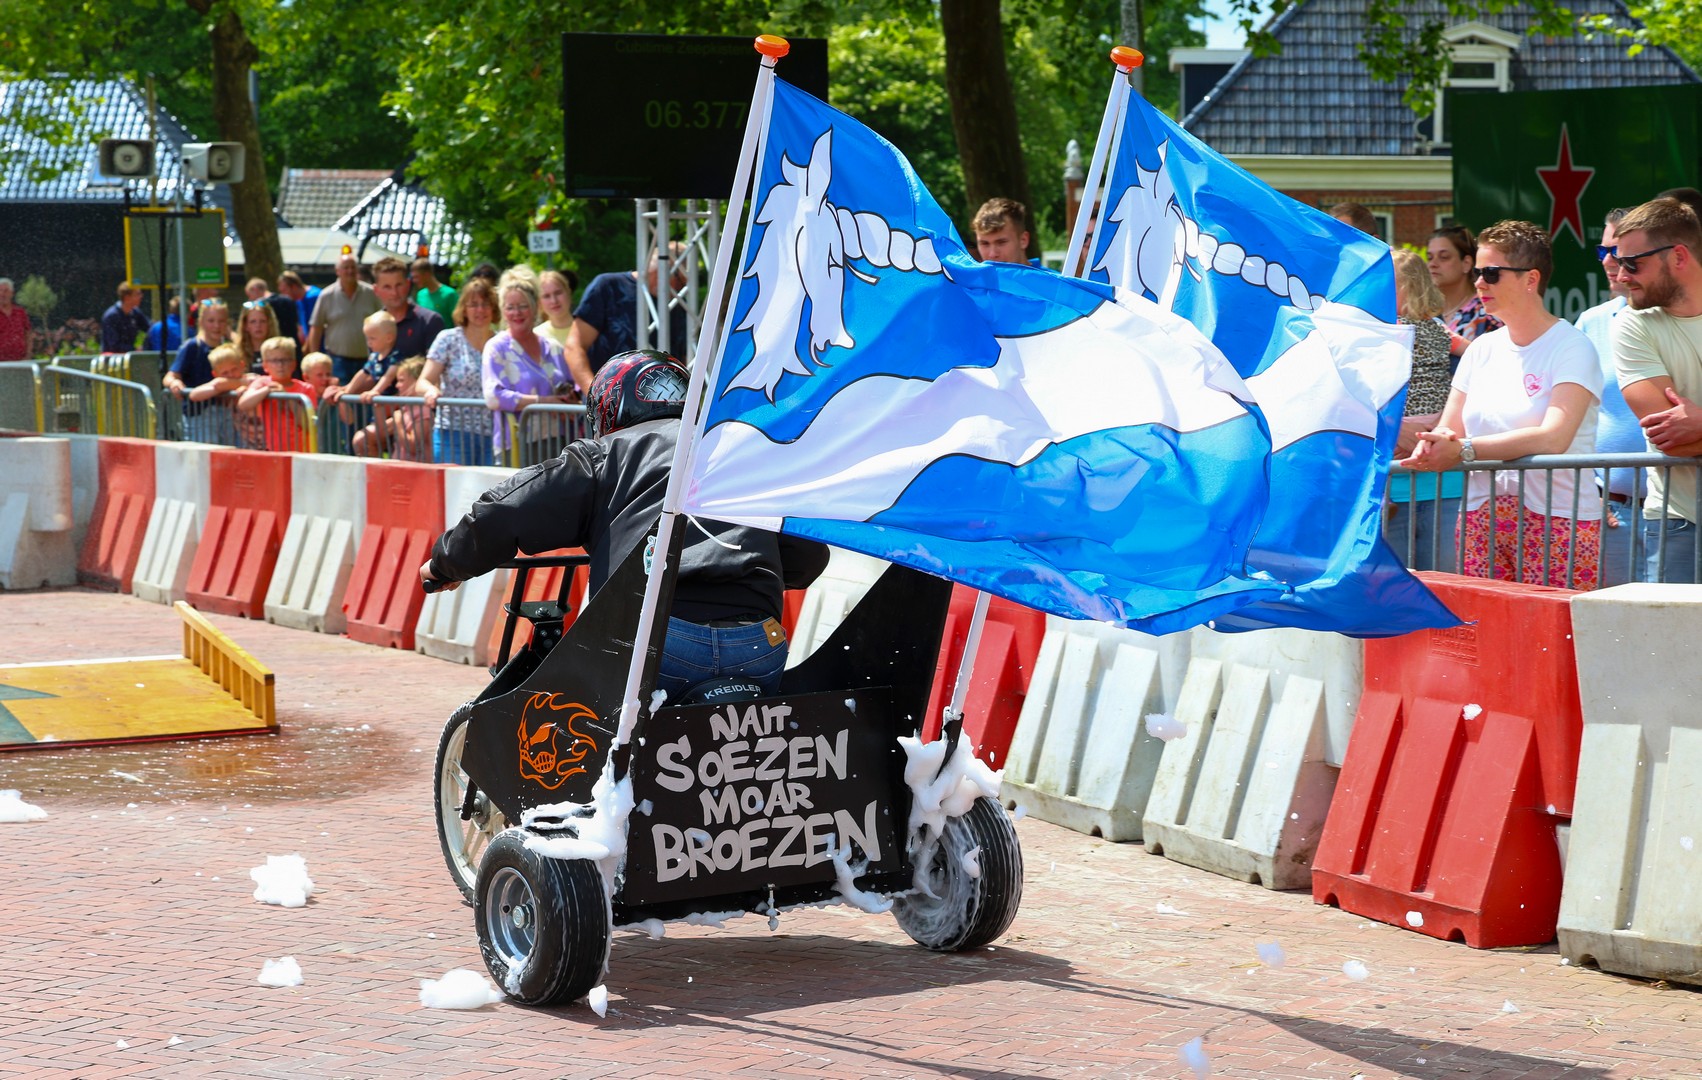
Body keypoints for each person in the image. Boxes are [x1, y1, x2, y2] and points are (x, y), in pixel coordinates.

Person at [420, 350, 830, 699]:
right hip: (758, 645)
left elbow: (505, 509)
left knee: (571, 707)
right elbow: (808, 556)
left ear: (609, 406)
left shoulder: (604, 455)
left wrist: (445, 564)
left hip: (657, 642)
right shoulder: (737, 448)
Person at [1400, 219, 1602, 590]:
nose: (1479, 283)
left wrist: (1463, 449)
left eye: (1491, 273)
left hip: (1559, 517)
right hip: (1481, 517)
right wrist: (1435, 442)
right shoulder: (1481, 349)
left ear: (1531, 279)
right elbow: (1450, 428)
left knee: (1555, 627)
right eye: (1477, 272)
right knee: (1486, 625)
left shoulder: (1572, 346)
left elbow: (1553, 437)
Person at [1610, 196, 1702, 583]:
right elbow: (1670, 439)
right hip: (1680, 522)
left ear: (1678, 256)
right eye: (1617, 261)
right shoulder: (1631, 324)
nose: (1621, 275)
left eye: (1633, 263)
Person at [1576, 208, 1642, 586]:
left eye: (1618, 251)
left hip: (1682, 514)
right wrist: (1588, 493)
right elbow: (1571, 418)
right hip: (1610, 512)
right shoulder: (1591, 322)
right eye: (1603, 251)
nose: (1608, 262)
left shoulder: (1686, 319)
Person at [1383, 249, 1459, 571]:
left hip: (1432, 474)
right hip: (1425, 445)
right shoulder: (1440, 328)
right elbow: (1474, 353)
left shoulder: (1383, 331)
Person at [562, 247, 689, 389]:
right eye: (681, 281)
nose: (682, 288)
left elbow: (684, 358)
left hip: (661, 398)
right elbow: (574, 347)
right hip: (608, 397)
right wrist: (594, 394)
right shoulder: (608, 287)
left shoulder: (680, 303)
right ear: (662, 272)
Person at [485, 277, 576, 464]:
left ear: (535, 308)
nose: (517, 313)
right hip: (517, 442)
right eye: (510, 307)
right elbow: (494, 397)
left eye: (523, 306)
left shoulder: (553, 347)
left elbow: (574, 387)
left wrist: (570, 400)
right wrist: (545, 402)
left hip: (559, 440)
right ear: (503, 311)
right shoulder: (497, 348)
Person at [421, 278, 498, 467]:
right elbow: (423, 381)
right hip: (452, 433)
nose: (480, 310)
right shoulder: (448, 339)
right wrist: (431, 390)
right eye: (473, 304)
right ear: (464, 309)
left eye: (485, 304)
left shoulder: (502, 343)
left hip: (495, 434)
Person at [1427, 225, 1502, 362]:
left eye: (1444, 257)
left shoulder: (1488, 313)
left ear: (1466, 263)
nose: (1433, 264)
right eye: (1429, 257)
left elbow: (1497, 363)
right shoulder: (1424, 311)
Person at [307, 252, 381, 384]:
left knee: (366, 396)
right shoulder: (326, 295)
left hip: (368, 361)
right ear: (337, 271)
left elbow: (383, 322)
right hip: (337, 361)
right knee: (340, 396)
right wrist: (314, 357)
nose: (350, 271)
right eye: (346, 267)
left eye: (353, 267)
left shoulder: (371, 294)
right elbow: (316, 328)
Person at [238, 336, 317, 452]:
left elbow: (307, 424)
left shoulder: (306, 388)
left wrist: (286, 397)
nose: (280, 365)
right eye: (274, 361)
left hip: (302, 451)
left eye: (285, 360)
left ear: (294, 364)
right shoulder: (262, 383)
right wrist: (267, 390)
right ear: (265, 365)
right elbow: (243, 404)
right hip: (273, 450)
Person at [373, 255, 443, 360]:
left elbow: (437, 365)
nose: (394, 293)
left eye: (399, 285)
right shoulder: (374, 324)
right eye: (387, 287)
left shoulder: (430, 321)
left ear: (408, 284)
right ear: (376, 290)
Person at [184, 343, 249, 447]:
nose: (230, 375)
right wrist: (221, 386)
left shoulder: (250, 379)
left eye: (234, 369)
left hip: (247, 431)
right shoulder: (219, 384)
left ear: (242, 365)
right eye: (225, 373)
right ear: (215, 374)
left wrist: (231, 384)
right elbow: (194, 395)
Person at [973, 197, 1033, 264]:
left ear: (1023, 240)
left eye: (1001, 242)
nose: (992, 254)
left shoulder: (1042, 272)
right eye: (985, 243)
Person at [244, 276, 299, 343]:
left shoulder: (263, 308)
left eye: (249, 296)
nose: (250, 299)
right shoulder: (288, 300)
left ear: (255, 289)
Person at [100, 282, 150, 354]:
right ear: (127, 297)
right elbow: (113, 346)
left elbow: (150, 328)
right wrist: (135, 350)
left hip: (129, 356)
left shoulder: (135, 312)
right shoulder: (111, 316)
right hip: (112, 359)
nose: (141, 296)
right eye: (137, 294)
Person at [535, 269, 578, 351]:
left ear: (569, 292)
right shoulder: (536, 337)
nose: (554, 301)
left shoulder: (588, 330)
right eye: (546, 296)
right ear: (539, 302)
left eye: (558, 293)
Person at [237, 298, 281, 371]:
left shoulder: (281, 351)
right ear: (245, 326)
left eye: (262, 321)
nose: (258, 325)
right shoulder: (237, 354)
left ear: (269, 324)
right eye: (253, 321)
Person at [412, 258, 458, 322]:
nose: (414, 281)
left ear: (427, 274)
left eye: (416, 277)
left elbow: (458, 321)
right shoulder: (420, 294)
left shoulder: (450, 294)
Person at [0, 277, 31, 361]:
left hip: (20, 360)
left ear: (12, 293)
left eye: (6, 291)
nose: (2, 294)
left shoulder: (20, 312)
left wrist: (28, 355)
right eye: (0, 290)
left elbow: (28, 334)